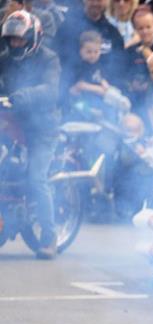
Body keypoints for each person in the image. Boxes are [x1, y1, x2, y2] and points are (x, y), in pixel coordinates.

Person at [0, 10, 60, 258]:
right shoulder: (6, 59)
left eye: (20, 39)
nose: (15, 44)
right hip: (12, 123)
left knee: (36, 178)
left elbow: (51, 89)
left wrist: (25, 95)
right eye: (12, 39)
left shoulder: (49, 59)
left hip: (42, 129)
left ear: (33, 37)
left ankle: (49, 237)